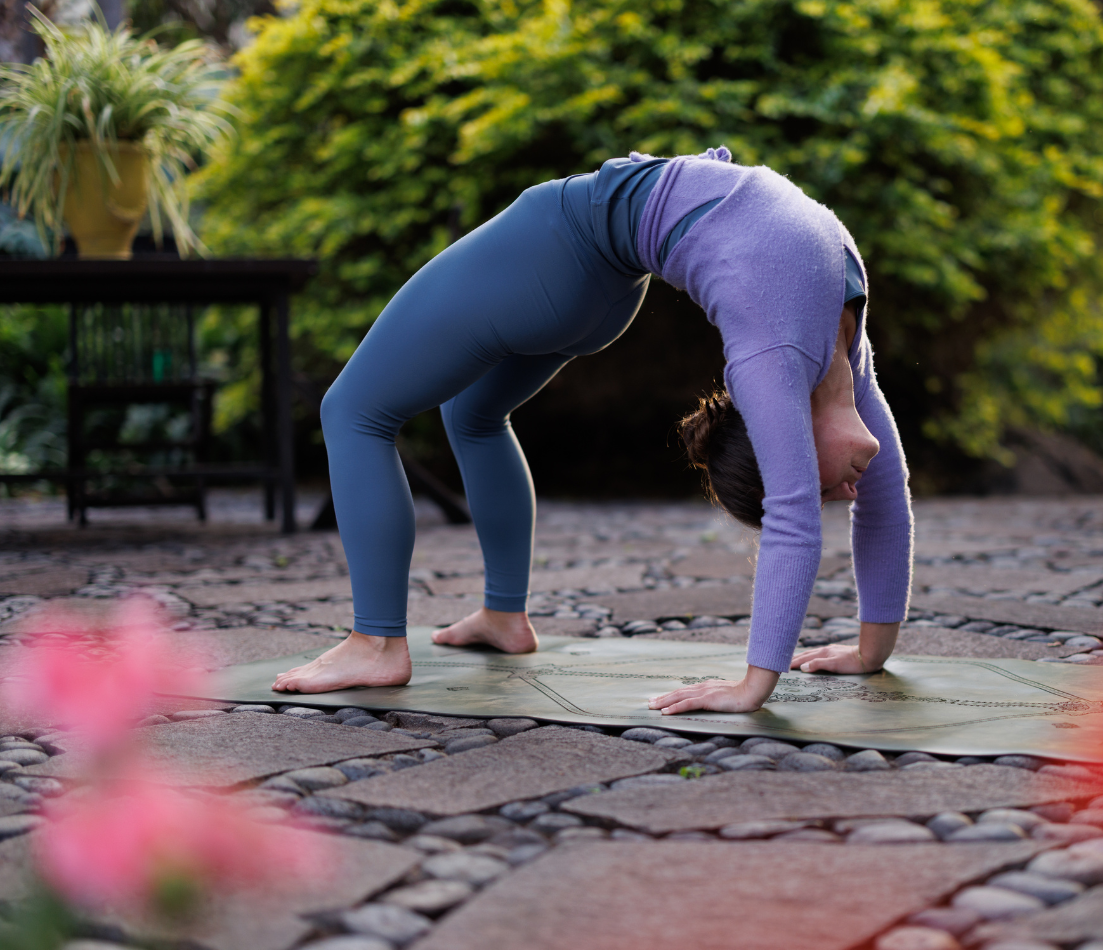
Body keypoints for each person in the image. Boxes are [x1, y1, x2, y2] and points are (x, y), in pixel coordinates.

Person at [272, 147, 914, 714]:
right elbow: (807, 504)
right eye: (830, 488)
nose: (847, 494)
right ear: (793, 430)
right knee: (471, 413)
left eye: (831, 490)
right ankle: (502, 615)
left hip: (565, 251)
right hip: (602, 287)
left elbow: (838, 504)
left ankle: (376, 643)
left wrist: (802, 672)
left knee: (353, 412)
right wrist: (831, 662)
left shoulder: (795, 362)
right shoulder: (820, 352)